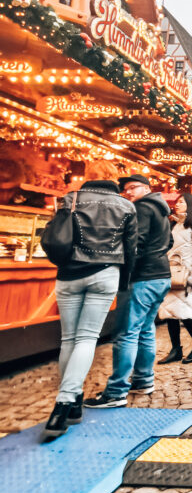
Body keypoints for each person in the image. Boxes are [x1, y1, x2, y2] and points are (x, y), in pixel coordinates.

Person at [42, 168, 138, 439]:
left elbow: (57, 235)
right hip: (106, 272)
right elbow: (131, 249)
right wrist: (123, 282)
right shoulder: (126, 205)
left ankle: (72, 403)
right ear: (114, 180)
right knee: (86, 339)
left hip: (69, 273)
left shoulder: (70, 198)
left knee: (69, 340)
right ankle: (64, 404)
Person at [85, 173, 172, 410]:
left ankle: (116, 392)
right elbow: (169, 242)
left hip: (141, 278)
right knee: (144, 330)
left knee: (126, 333)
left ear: (146, 188)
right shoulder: (161, 208)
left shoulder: (142, 208)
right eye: (126, 189)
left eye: (133, 187)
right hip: (160, 276)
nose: (128, 192)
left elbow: (135, 243)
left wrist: (123, 271)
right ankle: (143, 380)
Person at [154, 194, 192, 363]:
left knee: (186, 314)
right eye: (176, 202)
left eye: (181, 202)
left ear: (189, 205)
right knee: (170, 313)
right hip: (171, 274)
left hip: (186, 276)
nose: (177, 204)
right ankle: (175, 348)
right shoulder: (173, 224)